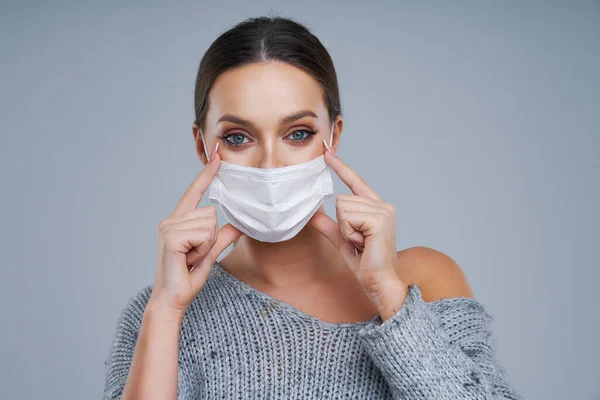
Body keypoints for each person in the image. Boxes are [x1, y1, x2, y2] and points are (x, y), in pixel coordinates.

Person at [103, 15, 523, 400]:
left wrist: (390, 296)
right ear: (202, 145)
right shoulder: (157, 313)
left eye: (298, 133)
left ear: (333, 137)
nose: (270, 164)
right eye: (237, 138)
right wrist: (166, 310)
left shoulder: (424, 280)